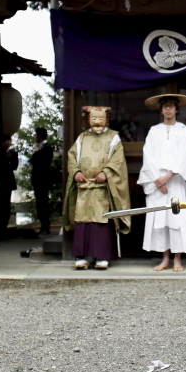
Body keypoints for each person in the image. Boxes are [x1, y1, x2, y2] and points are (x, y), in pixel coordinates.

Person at [138, 94, 186, 272]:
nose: (168, 109)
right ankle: (165, 258)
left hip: (176, 182)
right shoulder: (154, 131)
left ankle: (177, 259)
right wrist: (158, 181)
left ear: (176, 109)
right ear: (161, 110)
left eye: (171, 106)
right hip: (157, 183)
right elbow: (148, 156)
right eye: (165, 106)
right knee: (160, 220)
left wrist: (168, 176)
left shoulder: (184, 131)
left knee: (177, 218)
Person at [63, 107, 131, 269]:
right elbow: (72, 157)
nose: (97, 122)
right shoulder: (82, 138)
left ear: (107, 120)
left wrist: (106, 172)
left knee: (101, 222)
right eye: (94, 119)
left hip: (103, 188)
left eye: (101, 119)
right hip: (83, 186)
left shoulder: (113, 138)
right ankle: (82, 257)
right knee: (82, 222)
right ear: (88, 120)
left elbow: (117, 160)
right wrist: (76, 172)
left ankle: (101, 257)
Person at [0, 135, 19, 239]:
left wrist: (10, 157)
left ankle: (4, 227)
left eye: (9, 141)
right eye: (5, 141)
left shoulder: (13, 154)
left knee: (6, 205)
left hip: (7, 182)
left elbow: (14, 166)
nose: (7, 143)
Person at [30, 127, 54, 236]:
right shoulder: (39, 148)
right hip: (37, 180)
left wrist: (37, 153)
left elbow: (41, 162)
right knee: (39, 204)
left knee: (43, 203)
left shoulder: (47, 148)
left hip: (43, 180)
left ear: (39, 136)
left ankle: (45, 226)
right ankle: (43, 226)